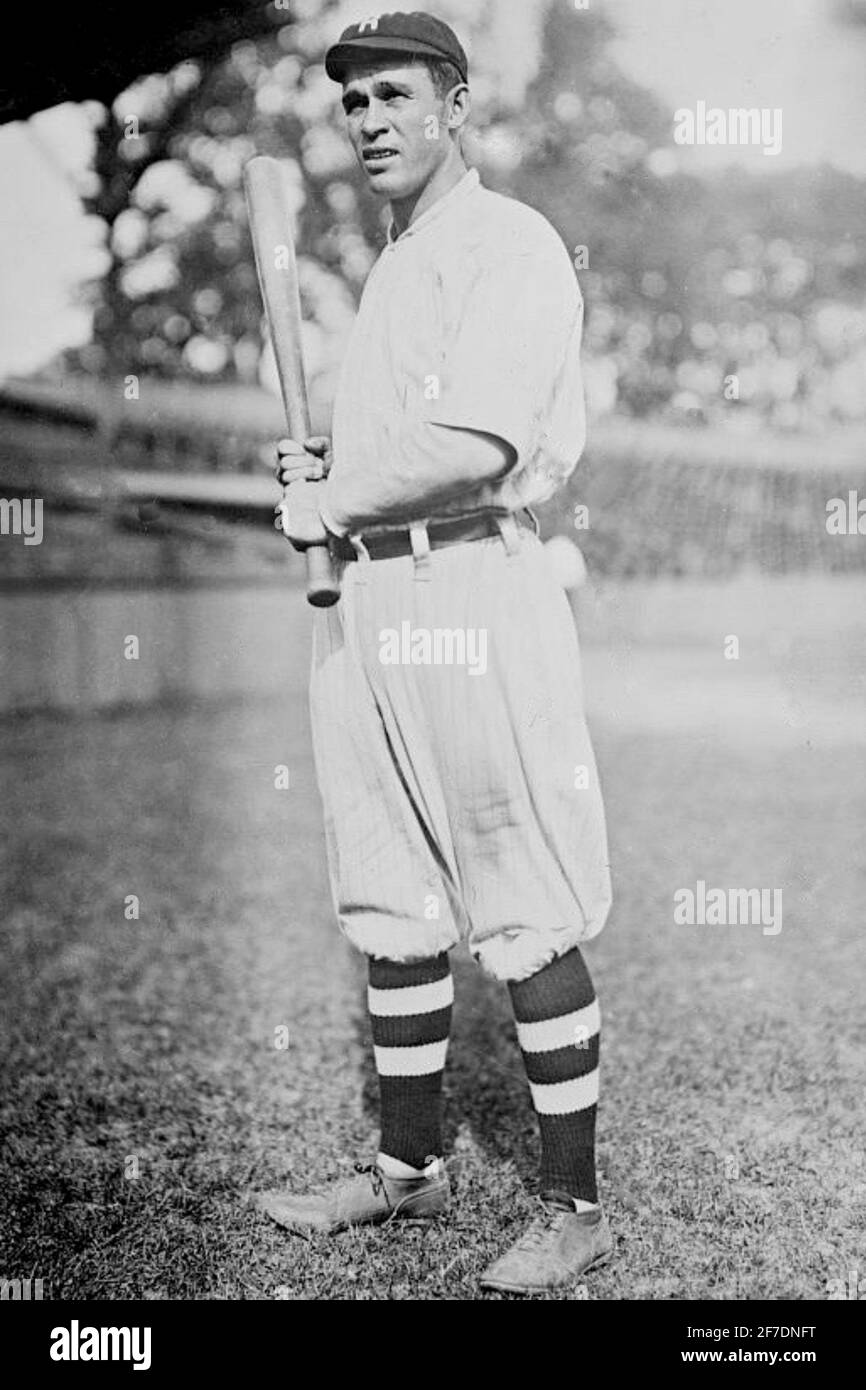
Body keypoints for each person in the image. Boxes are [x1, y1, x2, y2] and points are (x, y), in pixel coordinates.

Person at [255, 10, 613, 1295]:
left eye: (395, 95)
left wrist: (331, 496)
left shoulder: (506, 244)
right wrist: (319, 479)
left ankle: (572, 1203)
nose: (369, 123)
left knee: (521, 897)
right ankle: (408, 1168)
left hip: (471, 580)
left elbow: (471, 446)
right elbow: (372, 466)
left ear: (455, 104)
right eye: (351, 104)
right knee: (386, 888)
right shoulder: (390, 269)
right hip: (366, 603)